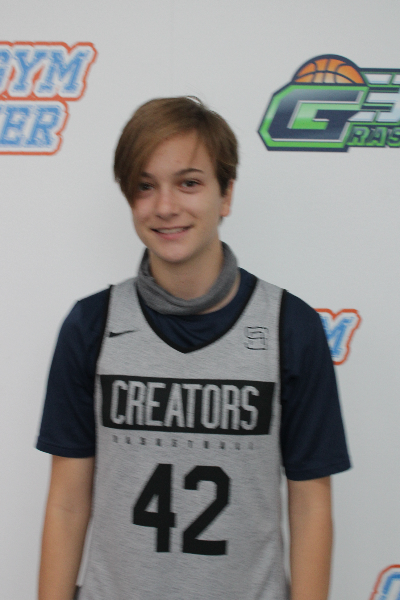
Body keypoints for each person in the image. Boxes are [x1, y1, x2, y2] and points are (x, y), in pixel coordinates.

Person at [37, 96, 350, 600]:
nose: (165, 207)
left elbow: (311, 504)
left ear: (226, 195)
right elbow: (67, 503)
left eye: (189, 183)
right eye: (145, 186)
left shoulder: (290, 326)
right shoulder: (91, 324)